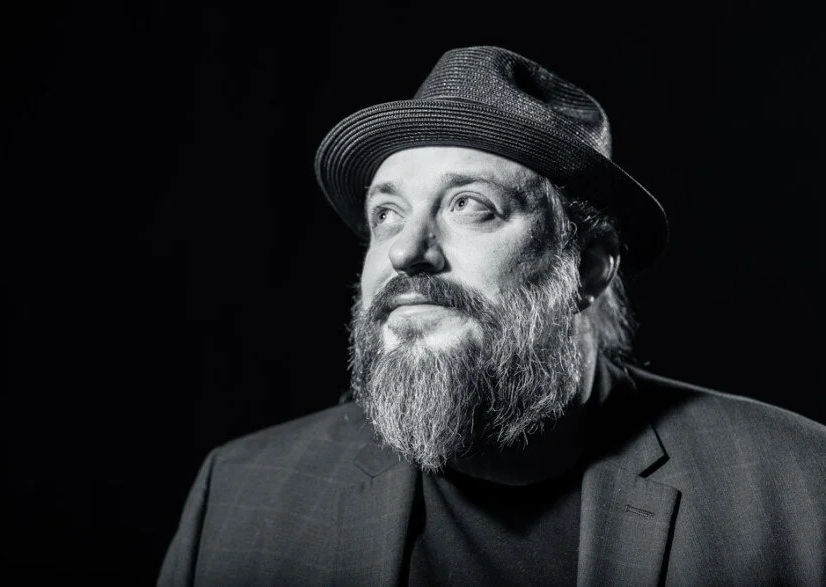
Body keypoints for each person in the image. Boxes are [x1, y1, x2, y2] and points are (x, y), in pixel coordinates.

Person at [158, 46, 826, 586]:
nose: (405, 251)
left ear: (589, 266)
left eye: (470, 205)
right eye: (385, 213)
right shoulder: (242, 492)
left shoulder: (798, 488)